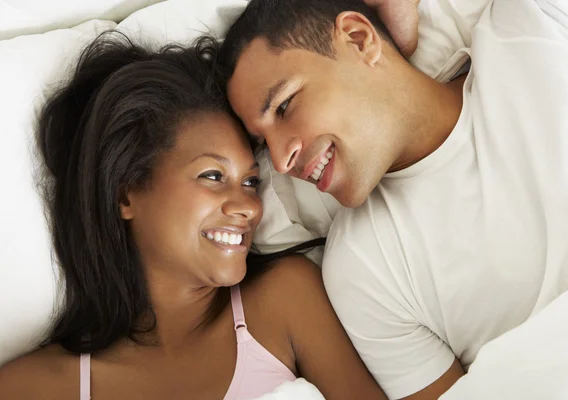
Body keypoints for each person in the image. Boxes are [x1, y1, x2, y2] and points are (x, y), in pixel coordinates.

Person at [219, 0, 568, 398]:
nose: (280, 161)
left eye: (284, 105)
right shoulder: (364, 270)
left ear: (358, 38)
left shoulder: (536, 25)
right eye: (264, 143)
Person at [0, 32, 387, 400]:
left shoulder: (284, 302)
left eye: (251, 182)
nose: (250, 207)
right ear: (125, 193)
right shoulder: (34, 386)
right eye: (213, 176)